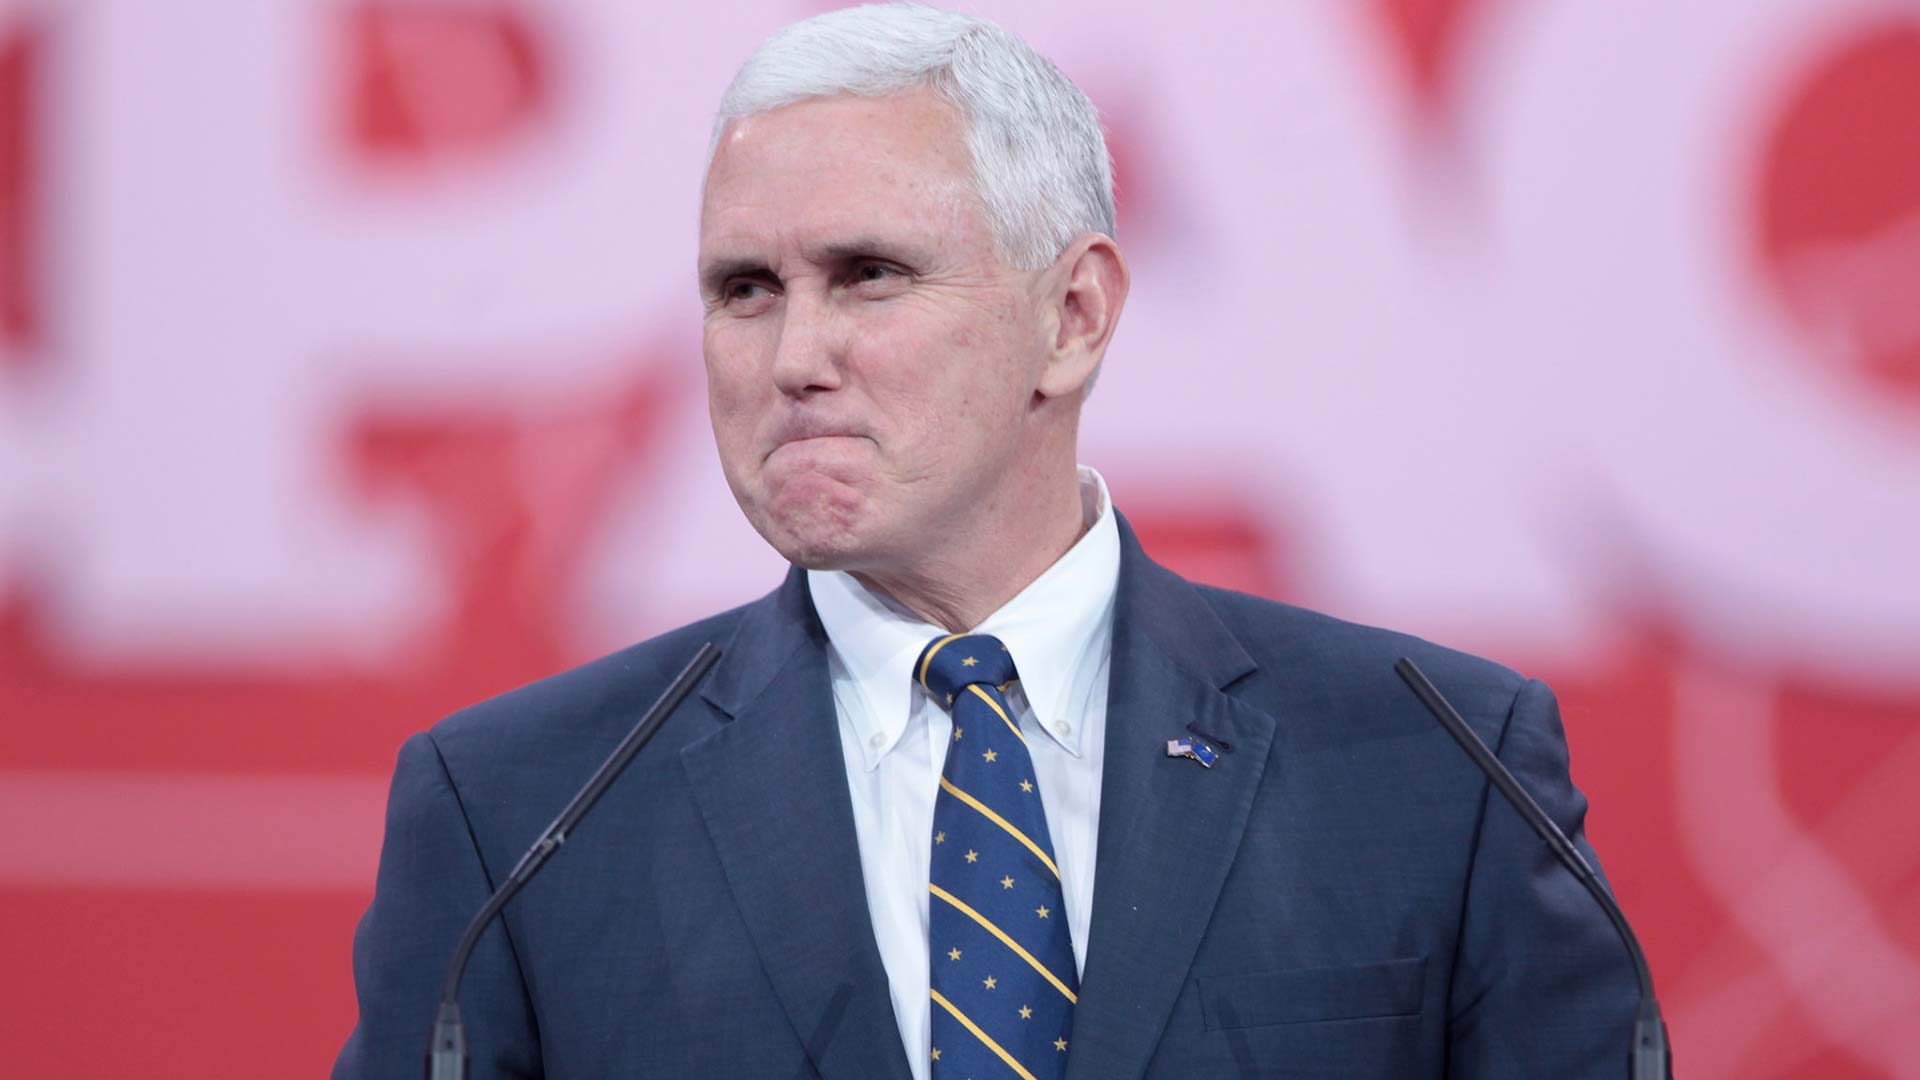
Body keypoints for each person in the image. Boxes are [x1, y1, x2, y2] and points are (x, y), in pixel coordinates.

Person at [334, 6, 1643, 1078]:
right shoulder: (523, 812)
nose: (793, 359)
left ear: (1072, 317)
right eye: (746, 291)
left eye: (870, 276)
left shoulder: (1439, 767)